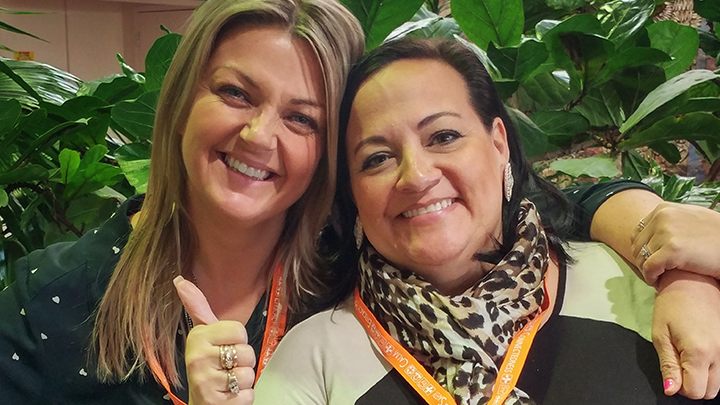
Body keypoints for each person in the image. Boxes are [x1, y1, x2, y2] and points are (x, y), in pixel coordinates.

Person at [254, 37, 720, 404]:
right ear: (352, 196)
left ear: (499, 144)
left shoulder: (640, 285)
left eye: (443, 136)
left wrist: (690, 278)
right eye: (376, 158)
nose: (416, 176)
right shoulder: (312, 360)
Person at [0, 0, 364, 403]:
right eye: (236, 93)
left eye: (301, 119)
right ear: (181, 103)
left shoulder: (353, 291)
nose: (259, 136)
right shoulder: (51, 299)